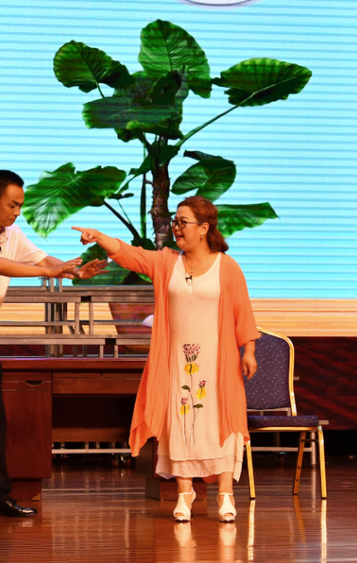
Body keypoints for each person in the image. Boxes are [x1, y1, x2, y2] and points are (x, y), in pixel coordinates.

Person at [0, 169, 106, 521]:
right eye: (12, 205)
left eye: (20, 206)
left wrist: (72, 271)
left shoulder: (12, 233)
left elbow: (42, 260)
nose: (17, 212)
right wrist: (50, 272)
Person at [74, 195, 259, 523]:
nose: (176, 228)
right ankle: (184, 493)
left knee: (222, 423)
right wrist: (99, 236)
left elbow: (242, 310)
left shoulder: (226, 267)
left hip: (218, 362)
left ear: (203, 228)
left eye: (182, 222)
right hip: (176, 361)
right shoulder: (166, 262)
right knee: (180, 422)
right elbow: (131, 254)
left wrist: (249, 351)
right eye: (175, 221)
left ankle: (226, 494)